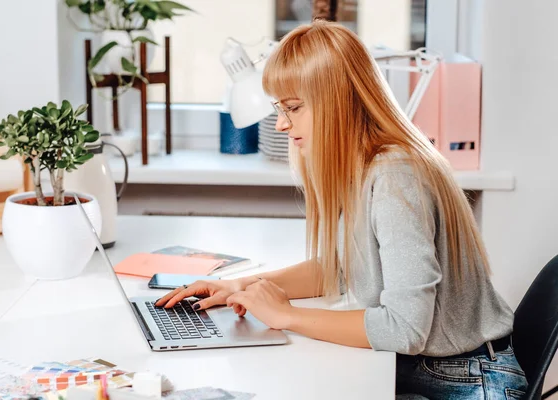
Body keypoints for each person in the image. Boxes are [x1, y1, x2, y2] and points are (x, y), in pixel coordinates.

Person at [155, 20, 527, 399]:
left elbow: (405, 329)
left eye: (294, 108)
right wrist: (243, 286)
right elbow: (341, 268)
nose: (282, 124)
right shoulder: (362, 165)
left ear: (338, 103)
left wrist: (287, 316)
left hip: (470, 377)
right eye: (279, 108)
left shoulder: (395, 176)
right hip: (427, 364)